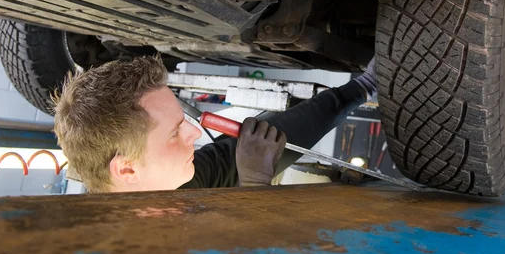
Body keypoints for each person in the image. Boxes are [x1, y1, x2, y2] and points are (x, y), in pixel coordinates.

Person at [53, 56, 376, 192]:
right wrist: (254, 186)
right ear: (127, 170)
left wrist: (362, 86)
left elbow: (244, 152)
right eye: (175, 132)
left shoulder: (172, 180)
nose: (195, 133)